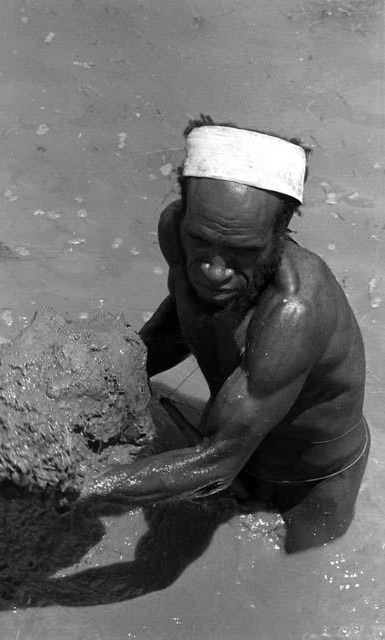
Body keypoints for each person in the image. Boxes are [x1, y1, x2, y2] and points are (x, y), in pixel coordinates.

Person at [90, 115, 369, 553]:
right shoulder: (175, 232)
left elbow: (215, 461)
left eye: (243, 252)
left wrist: (73, 484)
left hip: (310, 479)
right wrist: (100, 382)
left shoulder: (296, 310)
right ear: (182, 211)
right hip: (238, 437)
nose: (215, 271)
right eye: (201, 241)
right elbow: (181, 320)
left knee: (290, 586)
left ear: (282, 235)